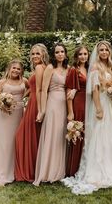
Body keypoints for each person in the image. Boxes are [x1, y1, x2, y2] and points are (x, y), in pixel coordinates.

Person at [61, 40, 112, 194]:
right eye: (101, 50)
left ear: (110, 52)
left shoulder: (111, 67)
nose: (104, 52)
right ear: (97, 53)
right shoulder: (96, 67)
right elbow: (95, 90)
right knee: (102, 135)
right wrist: (98, 108)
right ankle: (100, 171)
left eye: (106, 50)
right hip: (102, 104)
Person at [33, 43, 69, 185]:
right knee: (51, 135)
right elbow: (43, 89)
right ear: (53, 55)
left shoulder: (69, 69)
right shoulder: (50, 68)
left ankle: (59, 170)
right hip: (53, 104)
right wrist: (42, 110)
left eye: (62, 52)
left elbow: (72, 86)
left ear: (65, 54)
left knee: (61, 136)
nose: (60, 54)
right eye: (57, 52)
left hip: (65, 105)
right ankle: (47, 171)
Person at [0, 60, 28, 186]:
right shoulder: (2, 82)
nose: (16, 70)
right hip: (4, 115)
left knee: (14, 142)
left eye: (18, 69)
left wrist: (23, 99)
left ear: (21, 70)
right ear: (9, 69)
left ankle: (15, 172)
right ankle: (0, 175)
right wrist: (2, 106)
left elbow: (31, 88)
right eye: (13, 68)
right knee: (3, 143)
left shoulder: (24, 81)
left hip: (18, 114)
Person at [15, 43, 49, 182]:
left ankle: (29, 171)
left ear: (43, 55)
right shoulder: (40, 67)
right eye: (33, 53)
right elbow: (33, 87)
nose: (35, 56)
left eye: (38, 53)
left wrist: (41, 110)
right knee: (34, 136)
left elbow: (40, 89)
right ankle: (33, 169)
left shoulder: (40, 67)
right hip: (33, 101)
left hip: (37, 103)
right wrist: (23, 96)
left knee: (22, 136)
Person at [65, 46, 89, 176]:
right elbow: (68, 91)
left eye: (85, 54)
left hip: (89, 103)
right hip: (79, 103)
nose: (83, 56)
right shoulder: (74, 70)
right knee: (78, 133)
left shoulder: (90, 69)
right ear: (76, 56)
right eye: (80, 54)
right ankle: (74, 168)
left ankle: (86, 166)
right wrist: (70, 112)